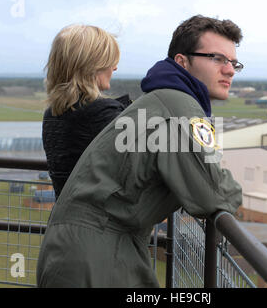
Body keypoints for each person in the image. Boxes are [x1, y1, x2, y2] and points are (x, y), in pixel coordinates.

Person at [37, 15, 244, 288]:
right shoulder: (176, 107)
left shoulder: (159, 103)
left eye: (234, 63)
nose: (229, 70)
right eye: (217, 58)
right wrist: (229, 187)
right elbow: (213, 193)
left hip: (87, 248)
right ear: (182, 62)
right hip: (95, 254)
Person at [42, 24, 131, 199]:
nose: (114, 68)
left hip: (65, 217)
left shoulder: (52, 113)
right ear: (92, 66)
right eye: (110, 60)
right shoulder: (100, 114)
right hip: (102, 223)